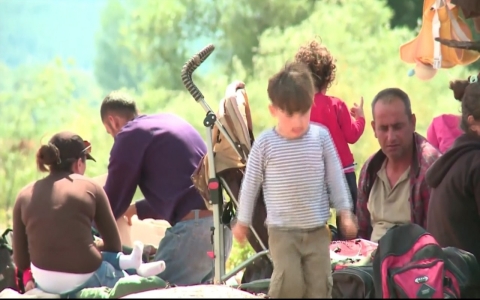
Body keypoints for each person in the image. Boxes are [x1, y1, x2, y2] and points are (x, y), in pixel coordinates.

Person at [232, 62, 357, 298]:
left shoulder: (321, 138)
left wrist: (345, 212)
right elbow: (250, 185)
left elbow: (336, 177)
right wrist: (243, 221)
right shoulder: (265, 144)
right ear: (274, 110)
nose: (298, 121)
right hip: (282, 233)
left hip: (317, 231)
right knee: (290, 283)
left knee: (319, 284)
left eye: (304, 112)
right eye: (290, 114)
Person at [99, 91, 232, 286]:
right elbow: (184, 189)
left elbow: (110, 202)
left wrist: (87, 230)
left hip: (193, 235)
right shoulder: (168, 121)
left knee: (147, 291)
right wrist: (137, 210)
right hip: (220, 232)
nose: (114, 138)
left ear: (112, 122)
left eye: (109, 133)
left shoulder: (129, 135)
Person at [12, 132, 164, 296]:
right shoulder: (90, 187)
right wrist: (94, 244)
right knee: (139, 281)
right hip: (87, 276)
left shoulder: (24, 194)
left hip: (45, 283)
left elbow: (21, 261)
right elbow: (114, 246)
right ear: (79, 163)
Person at [356, 88, 441, 242]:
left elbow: (437, 237)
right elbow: (361, 231)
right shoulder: (370, 169)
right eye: (383, 128)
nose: (391, 137)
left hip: (416, 261)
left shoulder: (430, 167)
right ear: (374, 129)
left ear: (413, 122)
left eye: (397, 127)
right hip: (370, 261)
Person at [294, 39, 365, 211]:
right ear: (328, 77)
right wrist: (360, 118)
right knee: (350, 216)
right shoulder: (336, 105)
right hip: (342, 172)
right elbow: (351, 136)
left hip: (313, 176)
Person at [426, 74, 480, 267]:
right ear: (473, 122)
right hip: (468, 283)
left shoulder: (456, 158)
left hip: (447, 280)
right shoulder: (475, 163)